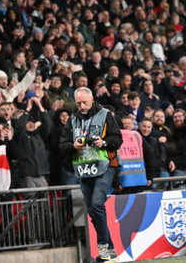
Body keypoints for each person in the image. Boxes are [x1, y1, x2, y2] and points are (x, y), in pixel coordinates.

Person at [59, 87, 122, 263]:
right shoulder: (72, 120)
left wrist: (104, 142)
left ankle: (102, 247)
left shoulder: (106, 115)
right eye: (78, 103)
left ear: (92, 99)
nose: (81, 106)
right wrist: (73, 146)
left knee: (96, 203)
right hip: (83, 170)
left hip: (105, 167)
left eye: (84, 102)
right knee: (93, 210)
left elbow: (118, 140)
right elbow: (62, 145)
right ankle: (110, 250)